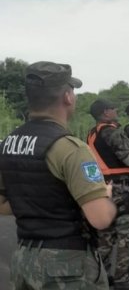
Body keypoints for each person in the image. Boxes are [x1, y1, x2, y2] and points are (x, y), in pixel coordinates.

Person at [0, 61, 117, 289]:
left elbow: (2, 204)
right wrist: (106, 196)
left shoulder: (8, 144)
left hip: (24, 259)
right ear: (67, 97)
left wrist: (37, 199)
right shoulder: (70, 148)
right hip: (66, 265)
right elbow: (100, 218)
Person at [87, 99, 129, 290]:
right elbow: (128, 158)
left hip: (103, 188)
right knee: (128, 234)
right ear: (105, 112)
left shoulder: (92, 133)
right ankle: (122, 280)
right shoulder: (111, 132)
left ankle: (102, 276)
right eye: (114, 108)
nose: (116, 111)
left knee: (105, 234)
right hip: (122, 189)